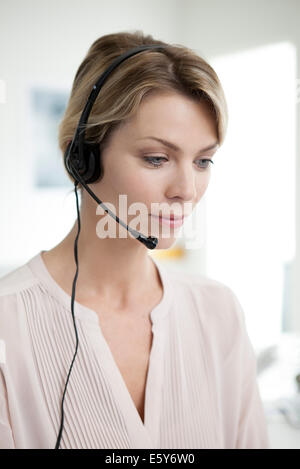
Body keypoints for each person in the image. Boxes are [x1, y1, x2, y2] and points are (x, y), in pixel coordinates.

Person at [0, 31, 270, 449]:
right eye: (157, 158)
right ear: (81, 157)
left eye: (203, 161)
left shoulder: (218, 312)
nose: (186, 188)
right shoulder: (8, 324)